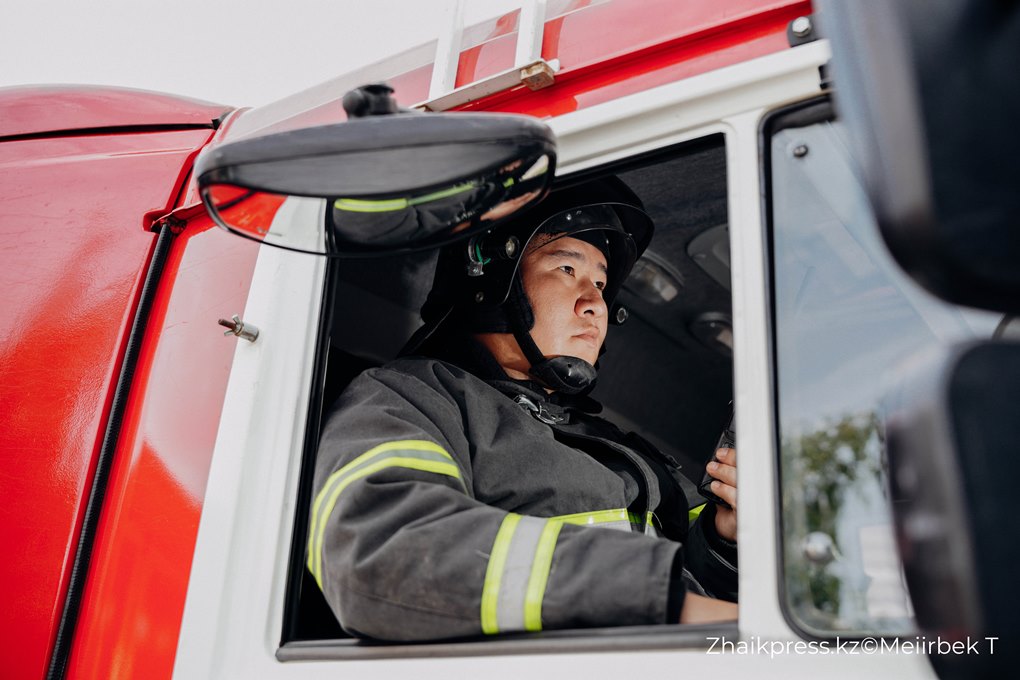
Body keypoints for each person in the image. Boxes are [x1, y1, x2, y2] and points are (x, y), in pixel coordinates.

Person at [307, 176, 738, 641]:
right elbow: (379, 554)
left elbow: (696, 594)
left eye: (600, 282)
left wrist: (721, 539)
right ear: (493, 281)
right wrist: (649, 597)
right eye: (567, 270)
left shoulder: (615, 445)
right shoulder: (409, 396)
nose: (595, 303)